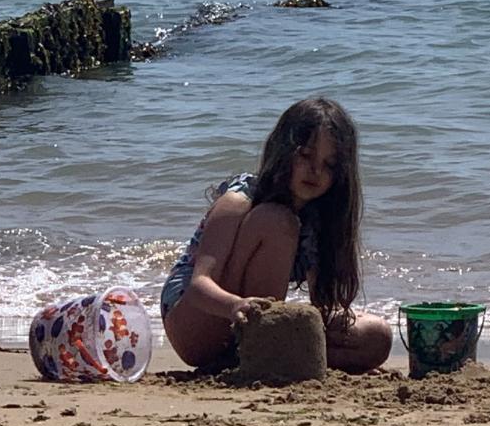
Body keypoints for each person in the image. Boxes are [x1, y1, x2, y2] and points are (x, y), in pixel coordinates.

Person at [159, 96, 392, 374]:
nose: (315, 171)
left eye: (329, 165)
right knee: (276, 220)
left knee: (377, 335)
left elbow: (322, 305)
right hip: (196, 316)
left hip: (248, 323)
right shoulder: (240, 200)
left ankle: (277, 355)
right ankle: (263, 350)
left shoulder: (320, 218)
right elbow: (200, 284)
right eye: (305, 156)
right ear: (284, 152)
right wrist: (236, 306)